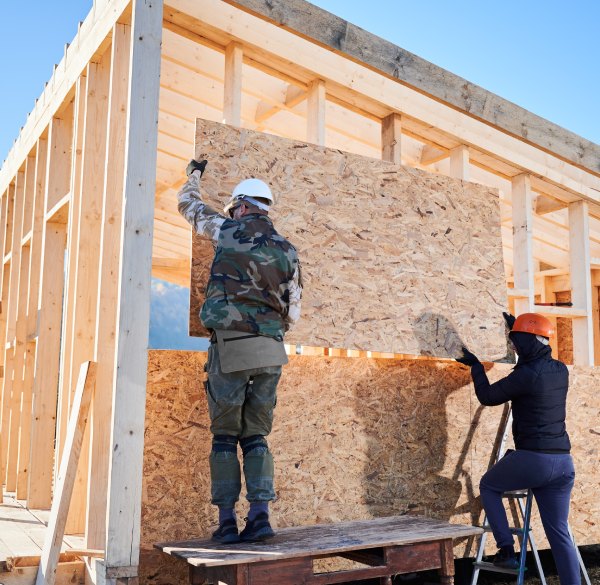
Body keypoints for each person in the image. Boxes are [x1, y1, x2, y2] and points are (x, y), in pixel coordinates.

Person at [177, 159, 302, 544]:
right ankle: (261, 518)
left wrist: (193, 175)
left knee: (225, 437)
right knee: (257, 437)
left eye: (236, 207)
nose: (234, 213)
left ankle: (228, 524)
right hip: (270, 351)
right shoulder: (288, 249)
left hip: (230, 349)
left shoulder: (226, 230)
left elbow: (187, 206)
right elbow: (294, 310)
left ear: (243, 205)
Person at [456, 312, 580, 584]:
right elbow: (534, 349)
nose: (513, 346)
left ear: (527, 343)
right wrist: (519, 330)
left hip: (535, 460)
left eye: (516, 342)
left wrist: (476, 366)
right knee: (559, 532)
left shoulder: (527, 374)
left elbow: (488, 397)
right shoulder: (560, 369)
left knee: (489, 486)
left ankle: (506, 550)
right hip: (563, 463)